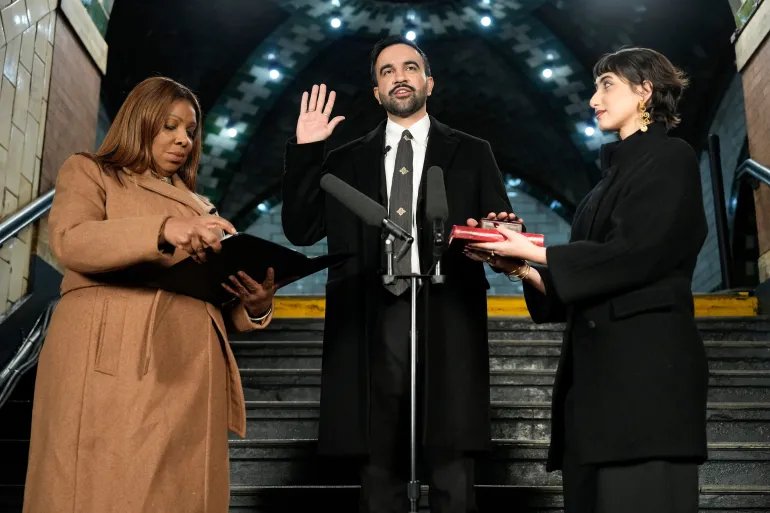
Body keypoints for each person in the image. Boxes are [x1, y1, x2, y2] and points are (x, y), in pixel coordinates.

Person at [467, 47, 708, 513]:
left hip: (645, 393)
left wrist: (529, 248)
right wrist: (518, 266)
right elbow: (583, 283)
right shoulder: (598, 191)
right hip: (593, 399)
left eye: (606, 85)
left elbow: (636, 253)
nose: (593, 99)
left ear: (645, 91)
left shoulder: (671, 157)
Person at [282, 36, 515, 513]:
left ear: (429, 82)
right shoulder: (345, 160)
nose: (400, 76)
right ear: (376, 92)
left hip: (447, 311)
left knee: (453, 461)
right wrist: (308, 150)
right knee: (378, 455)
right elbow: (301, 229)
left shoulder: (472, 152)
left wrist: (494, 235)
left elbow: (501, 225)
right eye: (387, 71)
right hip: (370, 316)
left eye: (410, 67)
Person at [23, 77, 276, 513]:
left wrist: (254, 305)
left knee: (179, 496)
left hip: (191, 372)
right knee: (103, 491)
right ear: (139, 123)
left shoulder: (203, 206)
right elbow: (71, 241)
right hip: (116, 365)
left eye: (190, 131)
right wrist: (161, 229)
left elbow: (218, 295)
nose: (182, 139)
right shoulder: (90, 171)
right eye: (169, 126)